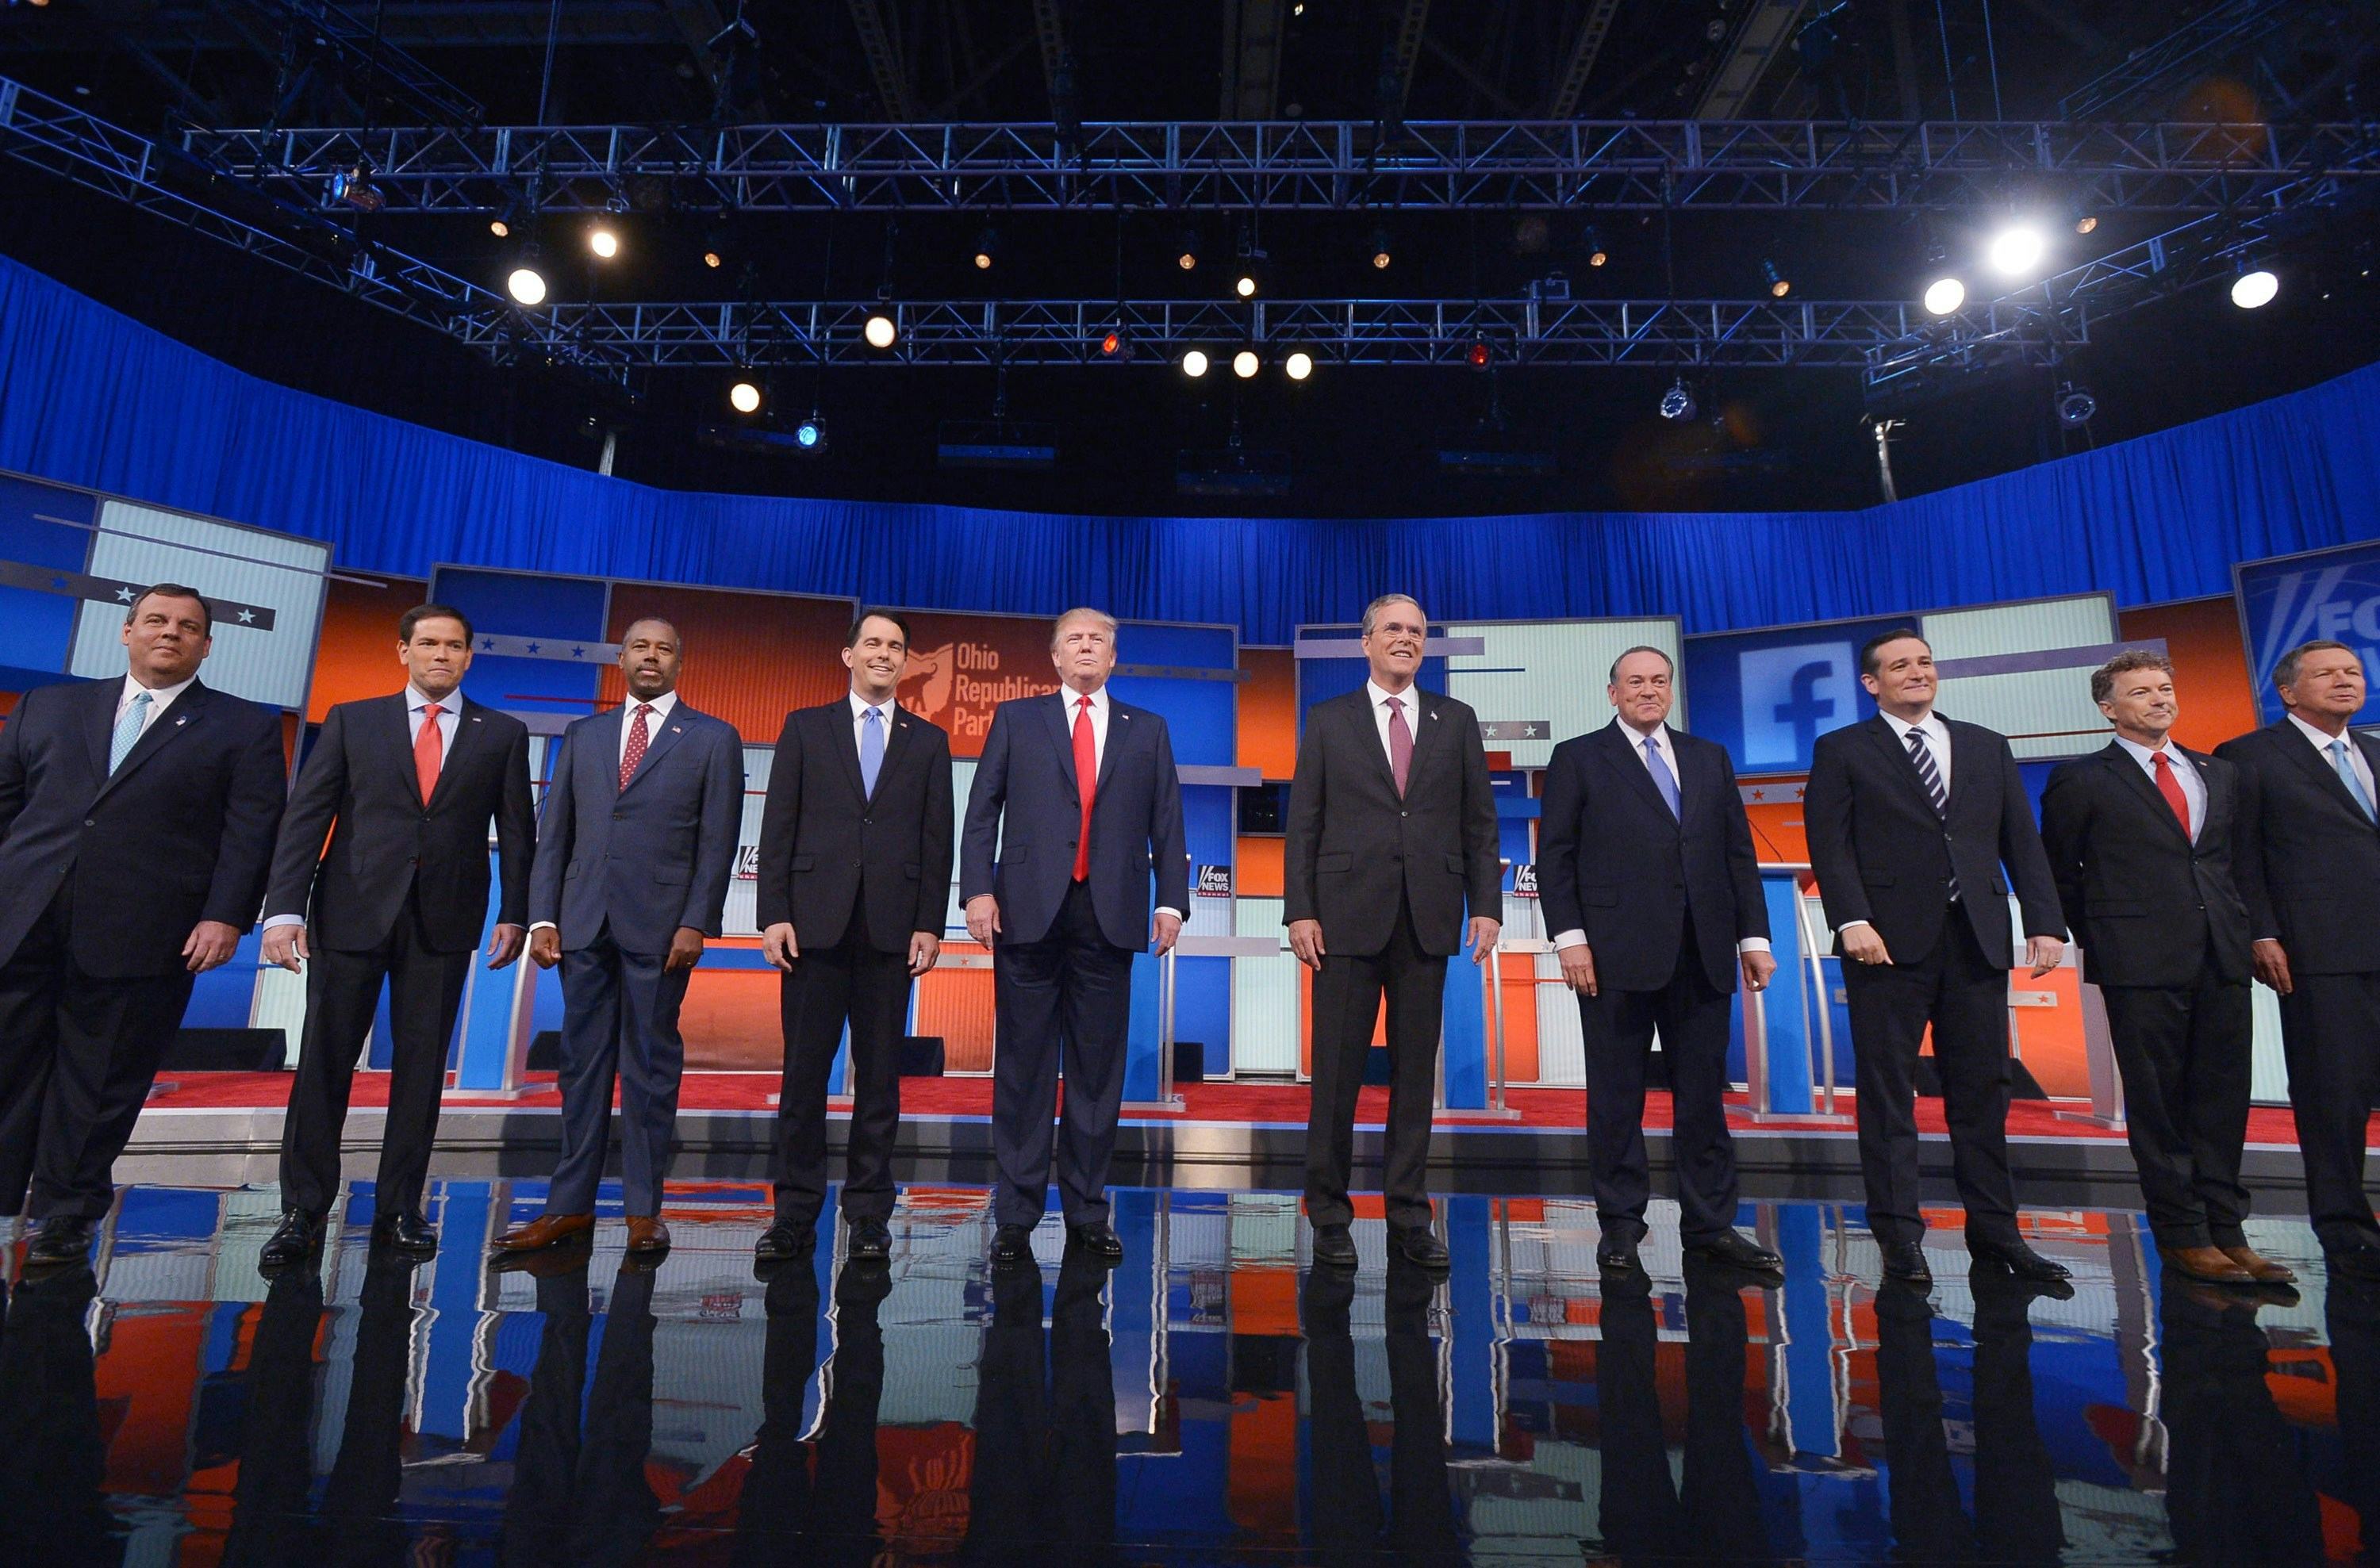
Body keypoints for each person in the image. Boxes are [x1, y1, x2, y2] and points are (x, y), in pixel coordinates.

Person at [0, 584, 286, 1269]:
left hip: (146, 931)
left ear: (206, 646)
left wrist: (225, 915)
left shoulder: (242, 725)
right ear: (127, 631)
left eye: (187, 626)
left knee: (101, 1079)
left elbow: (250, 834)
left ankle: (67, 1212)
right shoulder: (48, 705)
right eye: (155, 620)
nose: (170, 632)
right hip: (23, 919)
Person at [256, 604, 536, 1269]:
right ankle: (302, 1210)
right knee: (324, 1064)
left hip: (443, 920)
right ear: (403, 650)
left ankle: (401, 1208)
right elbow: (308, 815)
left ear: (469, 656)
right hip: (350, 912)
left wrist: (516, 911)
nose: (442, 654)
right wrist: (283, 908)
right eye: (429, 642)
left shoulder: (502, 732)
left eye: (454, 645)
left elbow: (517, 830)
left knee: (421, 1071)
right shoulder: (353, 719)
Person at [1802, 628, 2070, 1287]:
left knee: (1984, 1089)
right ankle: (1899, 1233)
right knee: (1889, 1092)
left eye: (1924, 662)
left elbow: (2019, 838)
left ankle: (1997, 1229)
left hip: (1976, 936)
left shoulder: (1985, 744)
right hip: (1885, 944)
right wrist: (1852, 919)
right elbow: (1829, 843)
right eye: (1900, 665)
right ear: (1872, 683)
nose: (1918, 672)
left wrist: (2045, 920)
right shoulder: (1843, 749)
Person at [492, 619, 742, 1259]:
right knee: (581, 1067)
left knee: (649, 1070)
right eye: (640, 646)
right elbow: (556, 833)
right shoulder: (586, 734)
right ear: (622, 657)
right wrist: (543, 916)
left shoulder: (713, 738)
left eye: (664, 648)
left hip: (662, 929)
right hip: (583, 924)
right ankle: (569, 1205)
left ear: (679, 662)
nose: (651, 656)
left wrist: (696, 921)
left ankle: (642, 1210)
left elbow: (717, 842)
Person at [2039, 650, 2290, 1286]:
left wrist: (2254, 933)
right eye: (2142, 691)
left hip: (2221, 954)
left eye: (2164, 688)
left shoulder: (2219, 772)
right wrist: (2105, 939)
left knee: (2222, 1099)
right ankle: (2183, 1235)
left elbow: (2237, 864)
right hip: (2139, 962)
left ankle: (2228, 1231)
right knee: (2160, 1107)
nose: (2159, 698)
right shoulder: (2082, 778)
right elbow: (2060, 871)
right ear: (2108, 708)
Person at [1537, 646, 1784, 1281]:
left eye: (1658, 681)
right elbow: (1556, 856)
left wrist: (1754, 937)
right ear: (1613, 692)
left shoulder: (1709, 757)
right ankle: (1621, 1224)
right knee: (1616, 1096)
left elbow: (1737, 854)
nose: (1648, 690)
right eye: (1635, 681)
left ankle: (1711, 1225)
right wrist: (1570, 938)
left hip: (1702, 951)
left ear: (1670, 690)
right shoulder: (1578, 757)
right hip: (1611, 954)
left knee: (1703, 1098)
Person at [959, 608, 1187, 1268]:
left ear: (1113, 657)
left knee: (1096, 1073)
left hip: (1109, 913)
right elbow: (981, 812)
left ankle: (1088, 1210)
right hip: (1026, 910)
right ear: (1055, 656)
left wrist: (1171, 900)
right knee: (1024, 1068)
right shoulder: (1016, 719)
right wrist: (977, 890)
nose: (1086, 647)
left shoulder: (1148, 728)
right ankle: (1015, 1215)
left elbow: (1167, 819)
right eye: (1074, 639)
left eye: (1098, 640)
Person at [1284, 593, 1500, 1273]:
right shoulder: (1329, 719)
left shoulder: (1455, 720)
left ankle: (1409, 1213)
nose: (1405, 639)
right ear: (1367, 640)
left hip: (1427, 917)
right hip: (1344, 918)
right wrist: (1300, 909)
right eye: (1393, 629)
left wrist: (1486, 905)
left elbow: (1479, 822)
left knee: (1413, 1077)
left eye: (1416, 630)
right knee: (1337, 1076)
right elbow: (1304, 822)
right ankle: (1329, 1213)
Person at [753, 610, 954, 1267]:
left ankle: (869, 1213)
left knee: (880, 1083)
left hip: (891, 931)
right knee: (803, 1077)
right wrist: (773, 912)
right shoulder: (805, 728)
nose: (884, 653)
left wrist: (929, 922)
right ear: (849, 654)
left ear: (905, 660)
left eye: (896, 646)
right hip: (811, 928)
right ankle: (793, 1213)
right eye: (873, 642)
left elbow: (937, 841)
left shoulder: (929, 741)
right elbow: (778, 827)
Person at [2216, 638, 2380, 1279]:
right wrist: (2261, 931)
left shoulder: (2374, 750)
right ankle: (2344, 1227)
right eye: (2327, 673)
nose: (2345, 680)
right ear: (2287, 690)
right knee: (2334, 1092)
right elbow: (2241, 855)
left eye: (2353, 671)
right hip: (2319, 950)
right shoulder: (2250, 756)